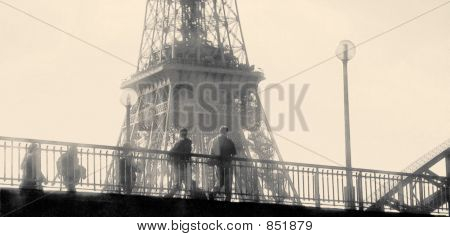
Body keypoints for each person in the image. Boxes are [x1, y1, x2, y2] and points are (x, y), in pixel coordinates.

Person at [209, 126, 237, 201]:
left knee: (219, 182)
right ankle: (227, 199)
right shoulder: (229, 141)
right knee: (228, 184)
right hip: (227, 165)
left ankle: (212, 193)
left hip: (219, 165)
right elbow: (234, 154)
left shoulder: (215, 140)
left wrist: (213, 160)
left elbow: (211, 152)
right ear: (226, 132)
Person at [165, 128, 192, 198]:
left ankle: (170, 195)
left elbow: (171, 152)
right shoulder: (187, 142)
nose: (183, 135)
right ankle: (171, 195)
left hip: (180, 165)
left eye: (183, 134)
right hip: (183, 165)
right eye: (183, 134)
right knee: (183, 182)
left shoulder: (181, 142)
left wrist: (170, 160)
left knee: (180, 182)